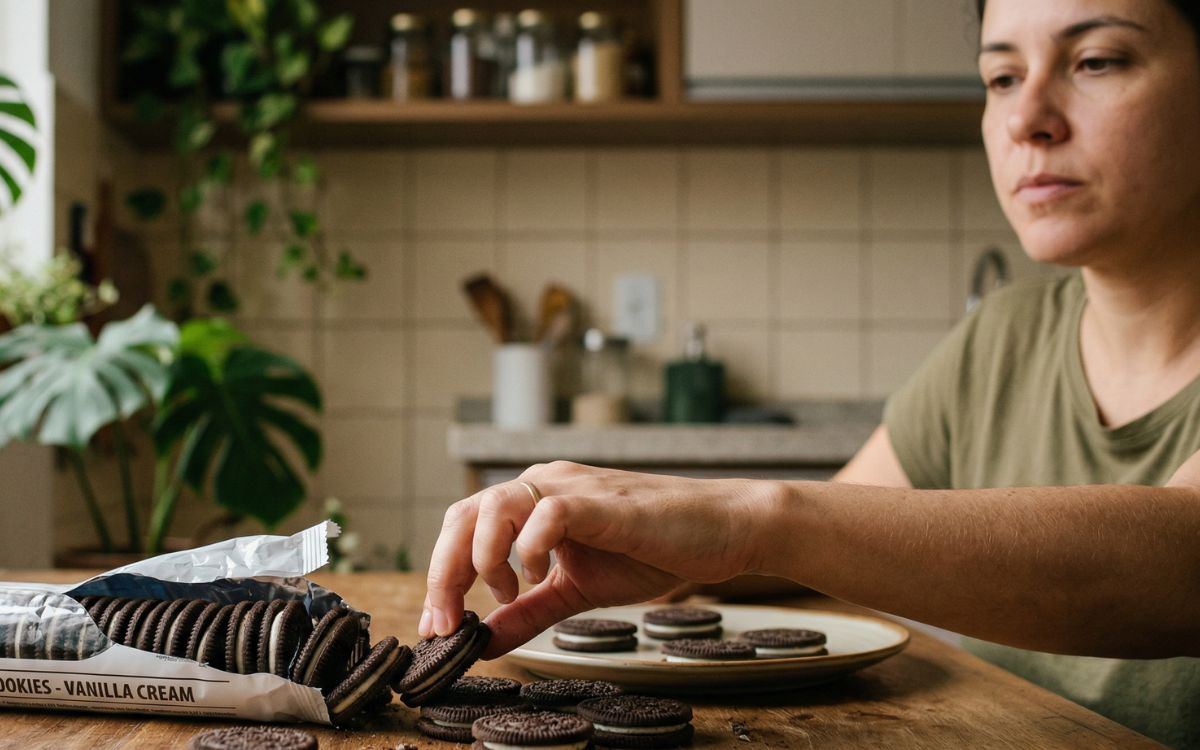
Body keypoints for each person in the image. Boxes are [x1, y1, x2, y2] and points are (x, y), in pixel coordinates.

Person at [420, 0, 1200, 746]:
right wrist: (673, 555)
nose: (1027, 118)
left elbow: (1182, 562)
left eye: (1096, 60)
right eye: (1000, 77)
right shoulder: (1005, 338)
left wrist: (749, 516)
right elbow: (841, 539)